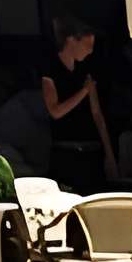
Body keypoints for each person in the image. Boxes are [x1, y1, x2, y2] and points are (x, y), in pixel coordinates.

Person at [41, 15, 115, 185]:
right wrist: (84, 91)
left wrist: (109, 154)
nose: (90, 51)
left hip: (92, 149)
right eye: (87, 46)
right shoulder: (51, 71)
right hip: (66, 151)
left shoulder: (85, 71)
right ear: (72, 41)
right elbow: (55, 111)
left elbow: (97, 114)